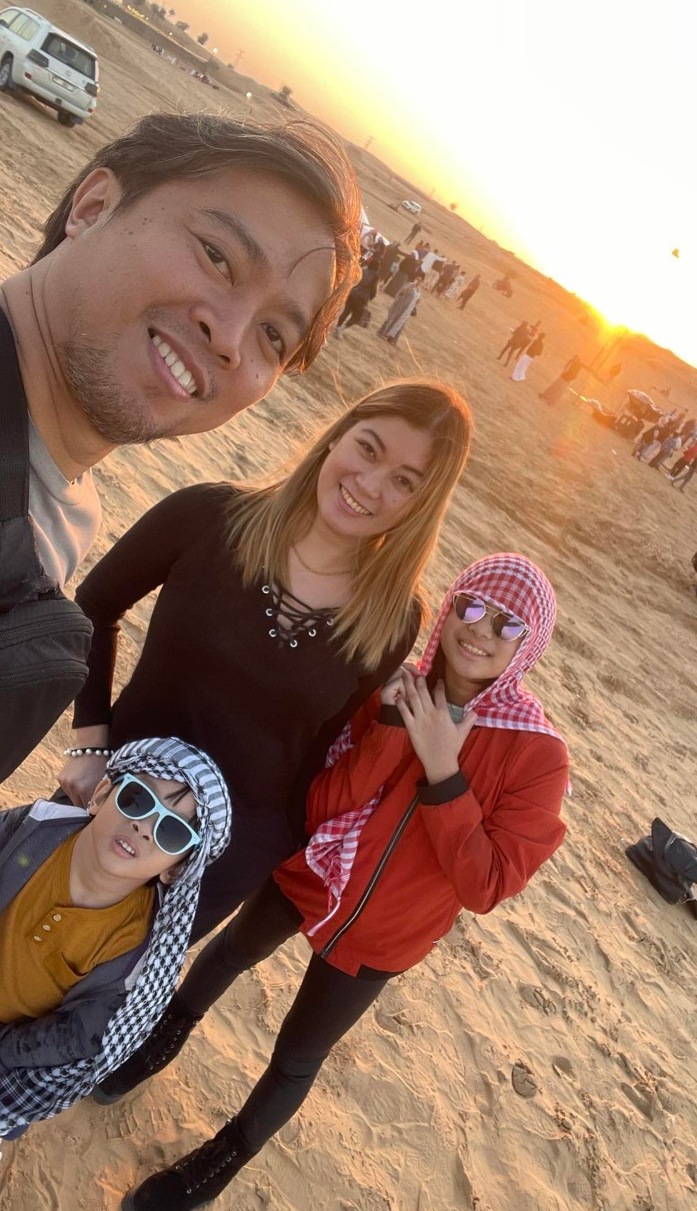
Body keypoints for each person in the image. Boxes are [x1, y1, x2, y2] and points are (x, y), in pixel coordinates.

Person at [0, 112, 361, 887]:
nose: (230, 337)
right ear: (92, 207)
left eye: (273, 338)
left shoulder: (69, 510)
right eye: (217, 255)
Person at [118, 554, 569, 1211]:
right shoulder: (392, 689)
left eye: (508, 625)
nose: (480, 629)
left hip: (385, 933)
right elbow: (322, 807)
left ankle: (222, 1158)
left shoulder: (539, 756)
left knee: (297, 1056)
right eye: (471, 606)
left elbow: (487, 884)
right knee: (232, 952)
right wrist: (392, 730)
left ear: (529, 644)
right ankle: (161, 1036)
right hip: (311, 874)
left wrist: (444, 771)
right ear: (450, 607)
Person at [71, 381, 472, 1107]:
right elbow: (96, 607)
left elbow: (323, 745)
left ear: (421, 504)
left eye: (405, 481)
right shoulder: (209, 516)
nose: (371, 484)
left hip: (229, 848)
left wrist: (276, 841)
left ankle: (9, 1102)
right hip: (116, 788)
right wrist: (91, 741)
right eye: (368, 448)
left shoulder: (392, 619)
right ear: (338, 433)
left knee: (109, 977)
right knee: (32, 911)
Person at [0, 737, 231, 1211]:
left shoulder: (138, 952)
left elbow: (83, 1037)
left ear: (177, 869)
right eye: (137, 799)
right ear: (102, 794)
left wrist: (1, 1051)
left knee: (6, 1107)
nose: (144, 827)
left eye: (172, 832)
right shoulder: (27, 831)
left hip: (31, 1051)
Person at [332, 260, 379, 336]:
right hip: (361, 297)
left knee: (346, 311)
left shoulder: (363, 269)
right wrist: (370, 298)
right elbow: (373, 290)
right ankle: (342, 328)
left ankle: (338, 327)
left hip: (352, 293)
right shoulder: (375, 276)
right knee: (357, 316)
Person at [377, 271, 423, 344]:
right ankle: (383, 333)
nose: (418, 282)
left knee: (399, 324)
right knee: (392, 319)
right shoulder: (410, 285)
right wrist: (412, 286)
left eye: (420, 281)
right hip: (401, 307)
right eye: (417, 280)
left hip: (407, 311)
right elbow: (401, 292)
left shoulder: (418, 291)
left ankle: (391, 338)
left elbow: (417, 300)